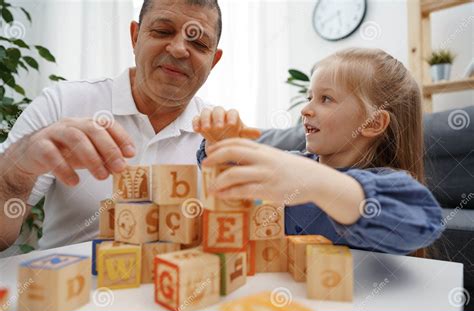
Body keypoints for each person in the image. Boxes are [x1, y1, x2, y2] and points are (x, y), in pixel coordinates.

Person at [0, 0, 229, 251]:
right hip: (68, 286)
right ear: (135, 37)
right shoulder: (61, 104)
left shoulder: (221, 136)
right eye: (163, 31)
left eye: (198, 43)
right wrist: (18, 170)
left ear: (214, 61)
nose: (177, 50)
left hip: (176, 287)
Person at [193, 48, 444, 255]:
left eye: (326, 99)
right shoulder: (293, 165)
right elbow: (235, 179)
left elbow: (423, 219)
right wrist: (220, 143)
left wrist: (314, 181)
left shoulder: (389, 184)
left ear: (373, 123)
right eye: (309, 96)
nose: (305, 109)